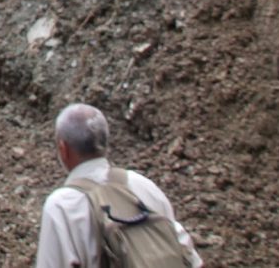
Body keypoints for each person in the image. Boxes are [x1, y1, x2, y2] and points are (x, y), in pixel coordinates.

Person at [36, 103, 202, 268]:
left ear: (63, 149)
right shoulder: (143, 186)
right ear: (106, 142)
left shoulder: (62, 206)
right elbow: (191, 258)